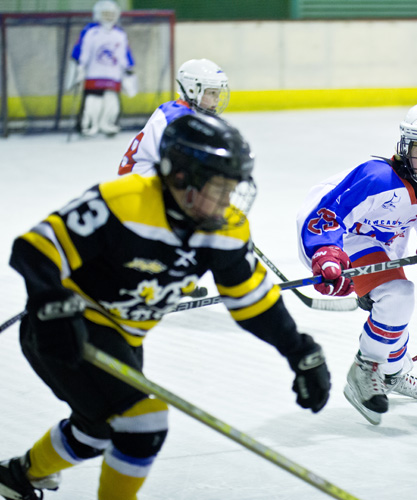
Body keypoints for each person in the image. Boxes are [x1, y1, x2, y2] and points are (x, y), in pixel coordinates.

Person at [0, 113, 331, 500]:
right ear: (180, 178)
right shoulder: (122, 203)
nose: (227, 201)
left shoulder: (225, 229)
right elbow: (36, 248)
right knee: (143, 423)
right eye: (218, 187)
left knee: (97, 431)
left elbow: (251, 302)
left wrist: (299, 350)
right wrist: (49, 301)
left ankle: (18, 476)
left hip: (124, 340)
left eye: (232, 188)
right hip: (67, 331)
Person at [296, 104, 417, 425]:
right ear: (405, 147)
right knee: (398, 295)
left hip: (387, 243)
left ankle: (392, 371)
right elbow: (325, 216)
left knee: (395, 307)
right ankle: (367, 367)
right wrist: (325, 253)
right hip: (345, 238)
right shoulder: (375, 177)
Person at [117, 58, 230, 177]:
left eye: (218, 93)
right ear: (192, 90)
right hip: (140, 178)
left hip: (149, 173)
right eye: (212, 93)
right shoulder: (178, 118)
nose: (217, 99)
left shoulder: (183, 111)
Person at [65, 0, 136, 137]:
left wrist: (127, 70)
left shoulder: (119, 34)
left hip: (112, 75)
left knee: (112, 103)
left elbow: (124, 54)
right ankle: (86, 126)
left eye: (111, 14)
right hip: (93, 74)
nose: (108, 17)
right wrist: (80, 66)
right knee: (92, 102)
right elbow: (82, 51)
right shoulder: (90, 31)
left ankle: (111, 125)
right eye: (105, 14)